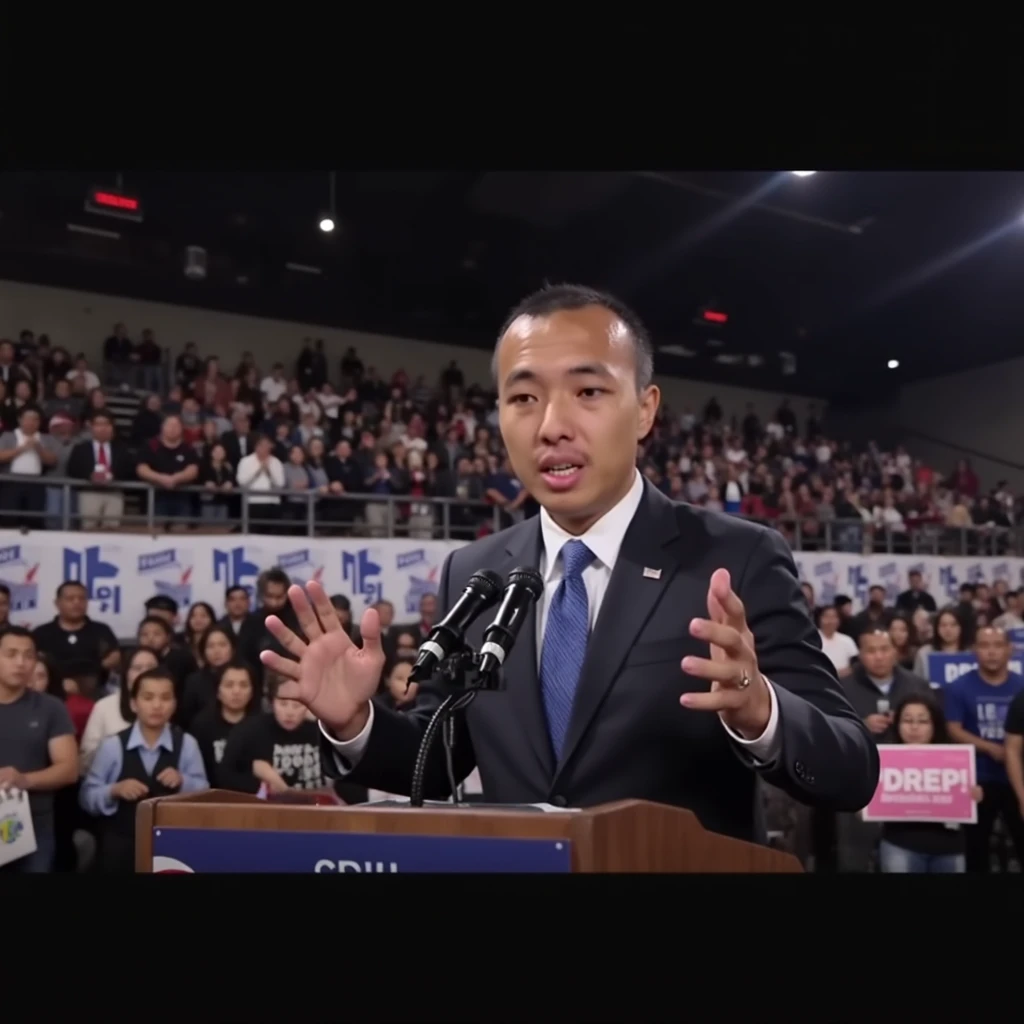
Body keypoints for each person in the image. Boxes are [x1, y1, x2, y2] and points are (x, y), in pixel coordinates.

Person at [260, 283, 878, 843]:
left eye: (588, 391)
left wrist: (760, 708)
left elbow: (851, 768)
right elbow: (442, 751)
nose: (552, 425)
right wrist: (353, 721)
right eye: (523, 397)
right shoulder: (475, 573)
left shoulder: (734, 557)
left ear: (644, 409)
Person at [79, 667, 208, 873]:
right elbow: (87, 797)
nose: (157, 705)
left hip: (173, 848)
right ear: (134, 703)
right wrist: (114, 790)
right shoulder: (113, 745)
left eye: (165, 698)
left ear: (174, 704)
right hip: (120, 847)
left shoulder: (186, 744)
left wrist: (183, 781)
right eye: (148, 698)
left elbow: (205, 793)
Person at [0, 627, 79, 873]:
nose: (21, 663)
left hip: (33, 826)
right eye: (11, 654)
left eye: (28, 656)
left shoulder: (50, 708)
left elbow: (69, 769)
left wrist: (24, 779)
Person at [877, 692, 982, 874]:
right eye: (907, 720)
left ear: (935, 725)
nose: (914, 727)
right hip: (900, 845)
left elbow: (966, 804)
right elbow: (863, 811)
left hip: (949, 849)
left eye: (923, 721)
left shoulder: (956, 760)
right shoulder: (882, 760)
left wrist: (974, 796)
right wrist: (868, 802)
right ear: (898, 724)